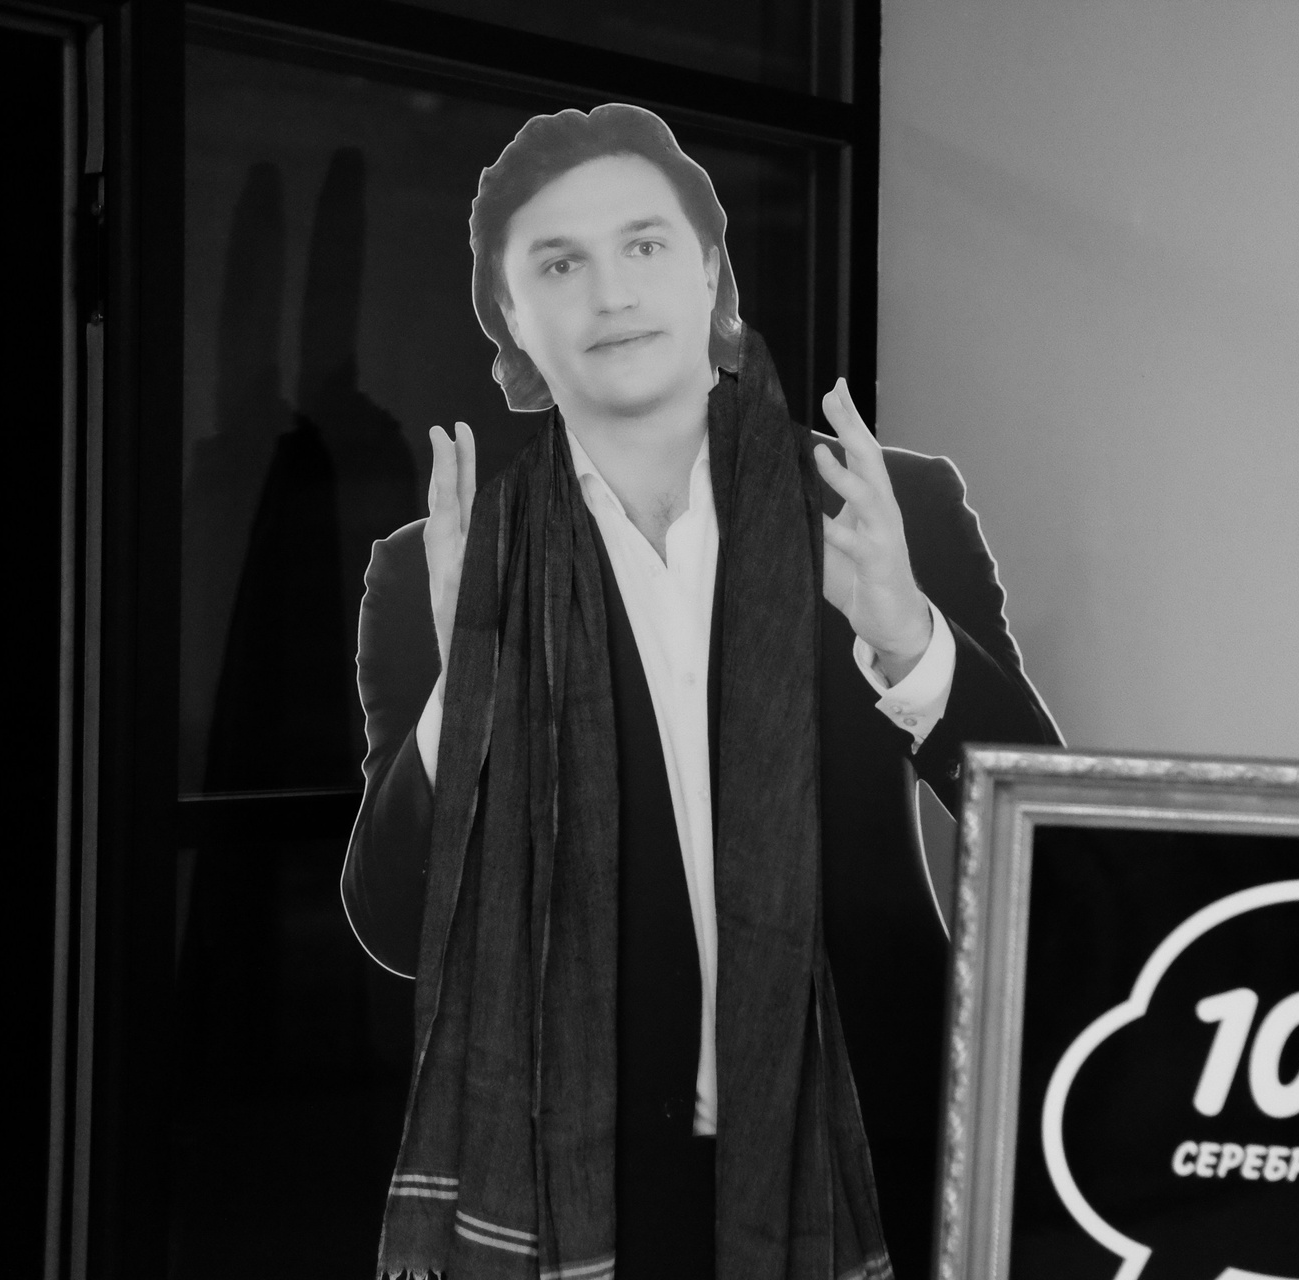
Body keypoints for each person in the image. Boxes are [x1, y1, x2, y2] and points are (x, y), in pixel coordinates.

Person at [340, 103, 1059, 1280]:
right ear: (509, 315)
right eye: (558, 263)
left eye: (645, 243)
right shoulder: (439, 566)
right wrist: (467, 688)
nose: (611, 291)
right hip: (580, 1173)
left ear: (711, 271)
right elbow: (390, 919)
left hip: (875, 1145)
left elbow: (1040, 825)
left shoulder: (885, 506)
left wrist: (905, 635)